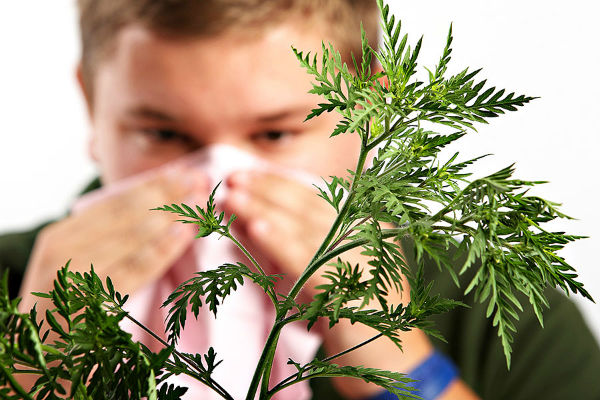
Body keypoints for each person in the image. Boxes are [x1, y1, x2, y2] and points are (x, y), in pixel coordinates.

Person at [1, 0, 599, 399]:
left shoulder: (496, 307)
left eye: (275, 135)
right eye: (164, 134)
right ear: (92, 104)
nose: (218, 183)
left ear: (369, 108)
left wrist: (397, 366)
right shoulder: (13, 280)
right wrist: (31, 362)